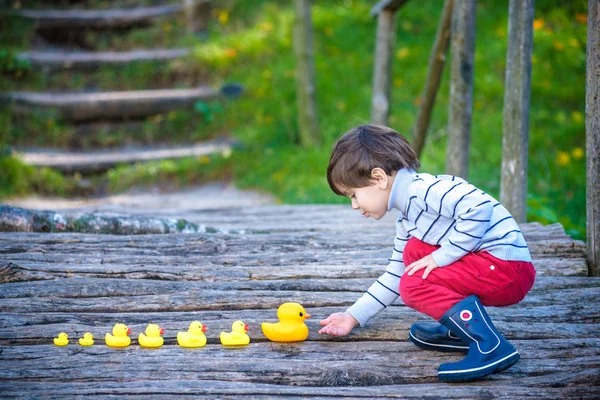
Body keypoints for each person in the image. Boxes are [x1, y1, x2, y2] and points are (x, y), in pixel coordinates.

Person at [318, 124, 536, 382]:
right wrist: (352, 316)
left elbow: (478, 208)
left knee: (412, 284)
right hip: (492, 268)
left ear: (379, 178)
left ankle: (489, 345)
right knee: (414, 255)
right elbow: (394, 275)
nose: (354, 205)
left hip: (507, 268)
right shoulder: (408, 220)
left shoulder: (424, 191)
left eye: (353, 195)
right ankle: (461, 332)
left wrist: (442, 256)